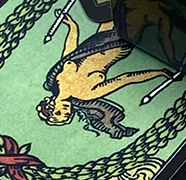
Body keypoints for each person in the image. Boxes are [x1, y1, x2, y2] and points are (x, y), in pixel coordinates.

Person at [36, 12, 172, 139]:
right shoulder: (86, 94)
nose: (66, 111)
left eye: (59, 113)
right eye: (67, 115)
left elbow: (71, 52)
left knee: (115, 6)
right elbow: (125, 79)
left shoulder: (55, 78)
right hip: (119, 45)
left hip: (99, 38)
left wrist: (73, 26)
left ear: (50, 105)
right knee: (147, 13)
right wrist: (159, 73)